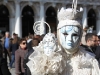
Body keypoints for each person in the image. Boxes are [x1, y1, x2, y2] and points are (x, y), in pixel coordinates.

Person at [57, 6, 100, 75]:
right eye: (65, 34)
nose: (70, 39)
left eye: (75, 35)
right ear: (59, 35)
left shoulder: (89, 60)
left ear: (80, 36)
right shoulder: (49, 60)